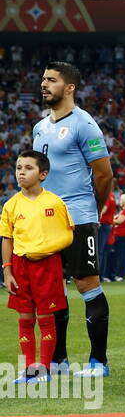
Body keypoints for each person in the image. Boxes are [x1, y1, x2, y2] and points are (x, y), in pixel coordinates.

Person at [32, 61, 114, 377]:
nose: (44, 84)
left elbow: (104, 173)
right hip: (46, 220)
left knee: (86, 284)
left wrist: (92, 210)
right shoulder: (40, 127)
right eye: (43, 79)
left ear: (69, 87)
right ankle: (58, 362)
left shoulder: (84, 124)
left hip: (78, 217)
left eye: (51, 80)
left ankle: (98, 362)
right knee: (52, 290)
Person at [1, 150, 74, 382]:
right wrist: (7, 270)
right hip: (21, 266)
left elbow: (68, 235)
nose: (21, 172)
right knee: (24, 318)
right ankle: (29, 368)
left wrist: (46, 249)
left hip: (47, 265)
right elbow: (7, 239)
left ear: (43, 174)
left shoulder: (54, 202)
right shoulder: (11, 205)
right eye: (18, 167)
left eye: (28, 168)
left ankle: (44, 369)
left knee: (46, 317)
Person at [96, 190, 116, 281]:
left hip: (103, 225)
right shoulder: (111, 195)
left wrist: (95, 216)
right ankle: (101, 275)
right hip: (107, 225)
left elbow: (104, 209)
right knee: (103, 252)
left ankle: (98, 275)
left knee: (99, 252)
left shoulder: (106, 195)